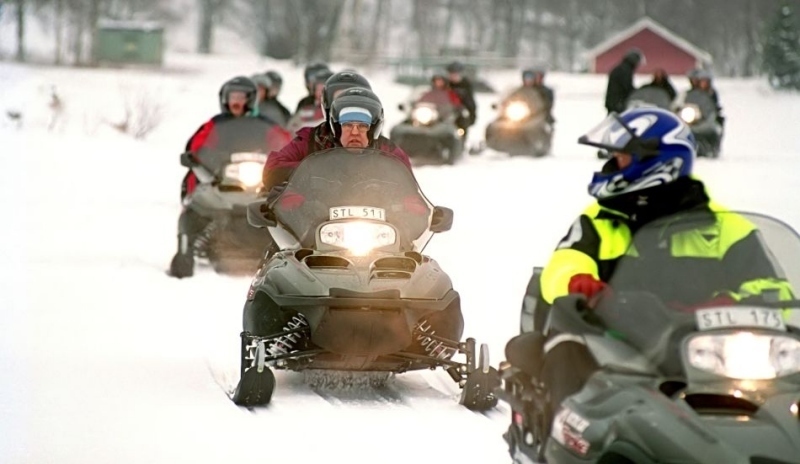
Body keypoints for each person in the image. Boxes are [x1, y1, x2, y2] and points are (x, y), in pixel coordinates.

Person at [509, 106, 794, 411]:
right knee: (569, 347)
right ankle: (562, 432)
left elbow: (777, 291)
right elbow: (564, 263)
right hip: (615, 343)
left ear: (658, 162)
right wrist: (579, 281)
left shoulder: (729, 228)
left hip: (708, 351)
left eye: (622, 158)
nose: (612, 165)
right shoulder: (599, 219)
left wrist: (731, 305)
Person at [250, 87, 459, 359]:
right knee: (280, 273)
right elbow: (283, 184)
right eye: (348, 126)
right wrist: (296, 203)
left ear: (373, 128)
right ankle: (280, 336)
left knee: (432, 278)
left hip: (384, 244)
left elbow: (411, 193)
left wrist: (418, 213)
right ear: (336, 127)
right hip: (318, 242)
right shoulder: (312, 149)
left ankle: (431, 339)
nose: (355, 132)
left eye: (362, 126)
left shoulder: (389, 154)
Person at [168, 76, 290, 278]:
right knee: (197, 204)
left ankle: (287, 252)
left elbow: (285, 144)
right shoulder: (214, 125)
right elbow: (197, 146)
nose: (236, 102)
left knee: (286, 207)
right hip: (221, 180)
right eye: (232, 97)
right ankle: (185, 252)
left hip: (260, 181)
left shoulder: (266, 126)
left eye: (240, 97)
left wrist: (285, 162)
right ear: (224, 99)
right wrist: (199, 159)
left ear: (250, 99)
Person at [262, 72, 410, 193]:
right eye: (341, 98)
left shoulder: (385, 148)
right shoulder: (312, 139)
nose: (355, 131)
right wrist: (309, 171)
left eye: (362, 125)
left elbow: (409, 189)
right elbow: (274, 168)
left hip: (374, 214)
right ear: (329, 105)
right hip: (317, 214)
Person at [604, 49, 643, 114]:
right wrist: (637, 94)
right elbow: (627, 86)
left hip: (614, 103)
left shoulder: (622, 68)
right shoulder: (625, 70)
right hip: (618, 104)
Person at [445, 61, 477, 135]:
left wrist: (471, 117)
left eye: (455, 74)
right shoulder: (446, 84)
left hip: (460, 114)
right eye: (451, 74)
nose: (453, 76)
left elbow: (470, 102)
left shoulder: (465, 85)